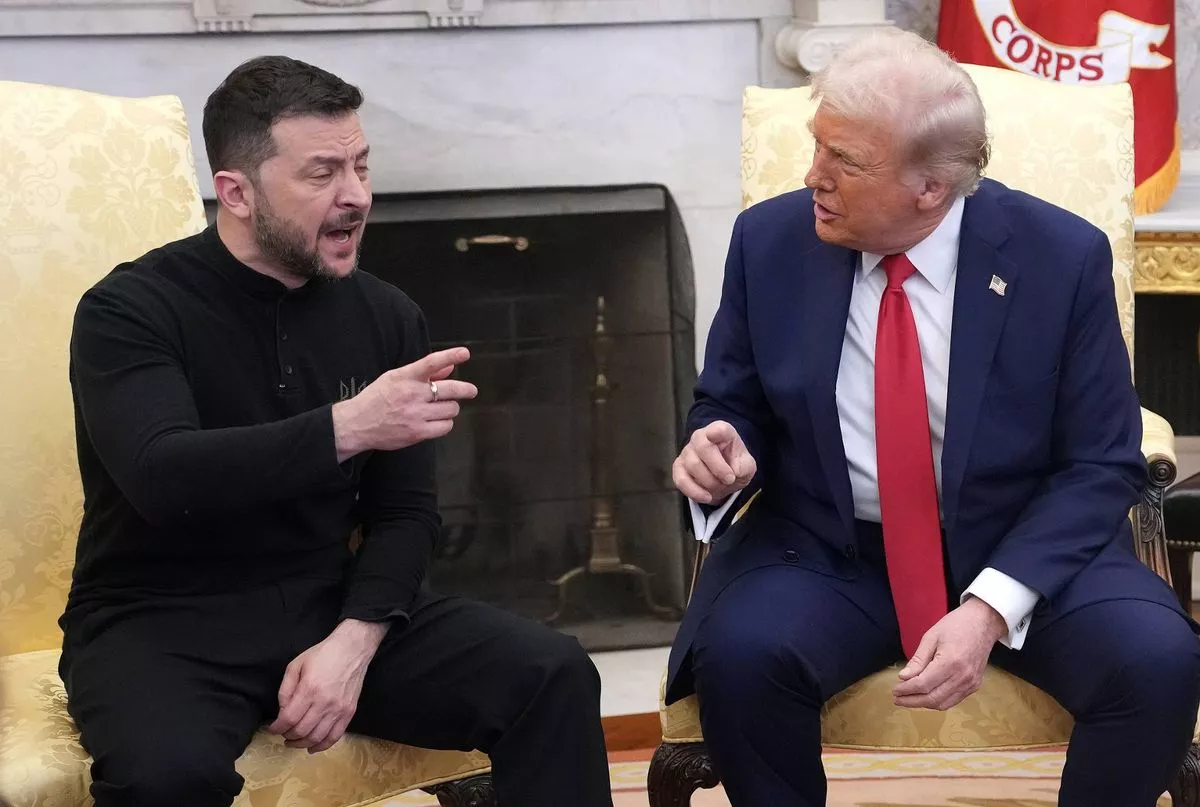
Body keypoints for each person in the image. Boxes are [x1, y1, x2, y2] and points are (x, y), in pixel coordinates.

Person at [58, 55, 613, 807]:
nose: (356, 195)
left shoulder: (387, 315)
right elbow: (162, 475)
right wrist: (349, 426)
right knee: (166, 777)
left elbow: (405, 512)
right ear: (237, 192)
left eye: (361, 165)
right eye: (322, 173)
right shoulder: (129, 309)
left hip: (328, 606)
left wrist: (355, 640)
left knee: (551, 674)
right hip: (159, 621)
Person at [665, 27, 1200, 807]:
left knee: (1155, 659)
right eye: (817, 146)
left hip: (1021, 544)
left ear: (930, 187)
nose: (812, 175)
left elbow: (1100, 461)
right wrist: (720, 450)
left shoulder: (1060, 257)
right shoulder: (770, 241)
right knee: (743, 656)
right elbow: (730, 401)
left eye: (844, 161)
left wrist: (989, 608)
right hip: (830, 549)